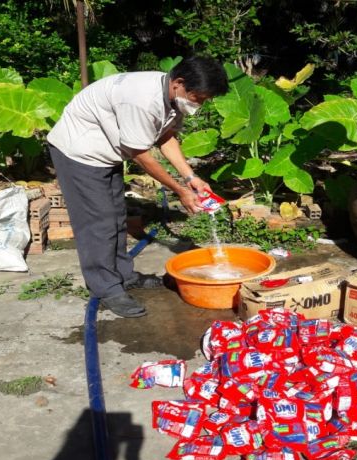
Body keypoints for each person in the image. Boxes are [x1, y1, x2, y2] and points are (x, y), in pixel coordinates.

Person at [46, 56, 229, 317]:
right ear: (179, 83)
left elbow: (166, 137)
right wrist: (180, 191)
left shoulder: (171, 97)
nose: (199, 104)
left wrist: (190, 177)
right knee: (98, 222)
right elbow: (140, 153)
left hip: (106, 152)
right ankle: (105, 287)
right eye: (199, 97)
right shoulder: (142, 101)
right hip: (79, 153)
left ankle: (123, 274)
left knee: (116, 216)